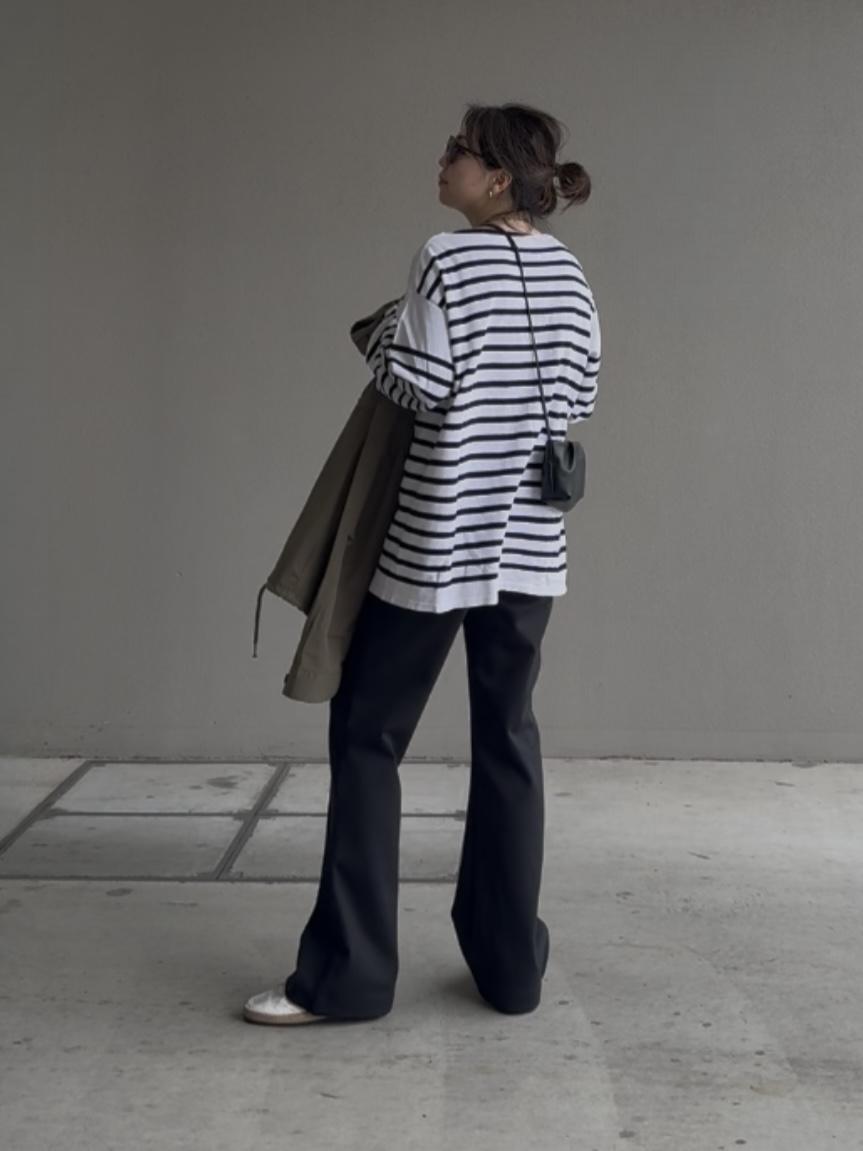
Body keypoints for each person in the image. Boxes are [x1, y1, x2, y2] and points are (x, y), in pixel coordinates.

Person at [243, 101, 601, 1025]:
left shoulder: (444, 257)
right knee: (508, 740)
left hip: (437, 542)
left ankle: (349, 978)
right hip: (529, 548)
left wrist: (378, 333)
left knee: (368, 736)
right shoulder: (568, 271)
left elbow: (421, 385)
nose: (441, 160)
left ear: (497, 177)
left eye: (458, 150)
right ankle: (509, 970)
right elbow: (579, 395)